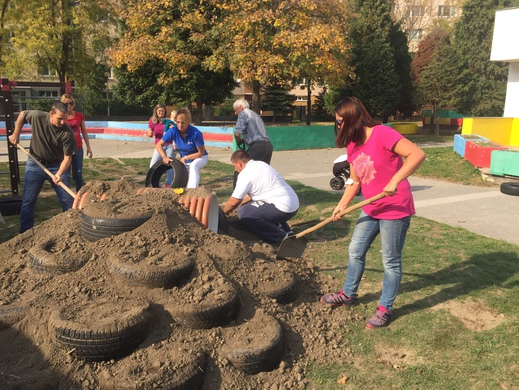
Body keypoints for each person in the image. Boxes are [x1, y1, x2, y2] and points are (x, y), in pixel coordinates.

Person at [320, 97, 426, 329]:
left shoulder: (382, 133)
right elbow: (354, 181)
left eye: (340, 122)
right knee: (355, 250)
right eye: (336, 122)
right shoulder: (353, 145)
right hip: (371, 206)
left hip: (395, 207)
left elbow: (417, 154)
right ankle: (348, 294)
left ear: (352, 118)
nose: (338, 127)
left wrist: (395, 179)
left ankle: (384, 309)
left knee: (390, 261)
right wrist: (342, 205)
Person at [8, 101, 77, 233]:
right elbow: (22, 115)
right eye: (60, 119)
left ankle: (71, 230)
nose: (63, 122)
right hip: (35, 164)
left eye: (65, 119)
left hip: (56, 166)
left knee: (67, 201)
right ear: (51, 114)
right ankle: (25, 231)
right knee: (28, 200)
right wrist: (16, 133)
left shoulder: (67, 133)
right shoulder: (38, 117)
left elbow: (67, 158)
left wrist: (59, 174)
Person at [223, 150, 299, 245]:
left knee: (244, 212)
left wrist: (223, 212)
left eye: (234, 166)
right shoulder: (261, 164)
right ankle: (286, 230)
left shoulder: (245, 174)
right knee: (256, 207)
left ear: (239, 163)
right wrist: (240, 203)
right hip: (293, 204)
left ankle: (280, 236)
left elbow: (234, 201)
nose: (235, 170)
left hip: (282, 207)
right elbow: (248, 196)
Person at [156, 108, 208, 188]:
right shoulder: (173, 131)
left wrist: (185, 158)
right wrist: (164, 157)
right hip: (185, 159)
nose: (180, 125)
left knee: (194, 166)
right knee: (184, 179)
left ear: (188, 122)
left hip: (200, 157)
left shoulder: (195, 133)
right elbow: (159, 145)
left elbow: (200, 152)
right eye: (178, 122)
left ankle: (192, 192)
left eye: (183, 123)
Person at [232, 98, 273, 188]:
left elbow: (237, 133)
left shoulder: (243, 113)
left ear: (241, 107)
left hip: (257, 146)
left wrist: (238, 140)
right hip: (268, 146)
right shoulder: (255, 115)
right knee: (261, 172)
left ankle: (237, 196)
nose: (235, 113)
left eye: (235, 110)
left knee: (240, 168)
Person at [60, 93, 92, 191]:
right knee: (66, 173)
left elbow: (84, 132)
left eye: (71, 103)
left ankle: (79, 193)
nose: (69, 106)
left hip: (78, 148)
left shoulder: (79, 116)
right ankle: (67, 194)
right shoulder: (61, 116)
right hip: (65, 149)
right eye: (66, 104)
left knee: (78, 173)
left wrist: (89, 147)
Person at [148, 104, 175, 187]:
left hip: (169, 145)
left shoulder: (167, 121)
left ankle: (168, 183)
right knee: (153, 165)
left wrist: (172, 128)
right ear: (156, 111)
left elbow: (175, 130)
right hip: (158, 147)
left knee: (170, 165)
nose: (161, 112)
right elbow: (149, 132)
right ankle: (157, 184)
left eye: (162, 111)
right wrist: (150, 133)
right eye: (159, 110)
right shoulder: (152, 121)